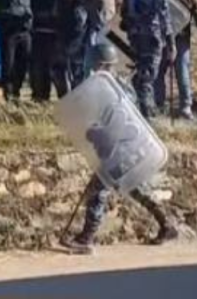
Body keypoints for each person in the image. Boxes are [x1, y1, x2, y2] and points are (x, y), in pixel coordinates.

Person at [63, 42, 177, 255]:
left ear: (100, 65)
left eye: (94, 66)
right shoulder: (120, 86)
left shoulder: (110, 90)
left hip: (118, 149)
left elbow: (113, 123)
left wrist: (93, 133)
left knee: (98, 192)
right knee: (137, 188)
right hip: (127, 149)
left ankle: (86, 239)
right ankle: (167, 225)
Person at [120, 0, 173, 118]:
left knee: (139, 75)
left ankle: (138, 110)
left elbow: (123, 14)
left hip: (134, 38)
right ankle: (146, 116)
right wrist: (171, 44)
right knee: (148, 78)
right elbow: (164, 18)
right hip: (152, 38)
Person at [156, 0, 197, 119]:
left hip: (181, 39)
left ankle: (186, 106)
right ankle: (159, 104)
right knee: (159, 71)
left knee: (181, 71)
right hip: (163, 38)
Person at [52, 0, 90, 97]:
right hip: (61, 42)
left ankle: (77, 102)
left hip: (74, 44)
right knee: (58, 73)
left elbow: (79, 23)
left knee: (76, 75)